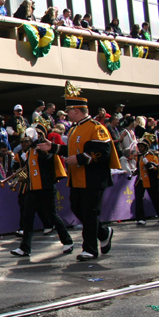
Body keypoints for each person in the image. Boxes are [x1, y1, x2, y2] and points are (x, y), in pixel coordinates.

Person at [37, 81, 121, 261]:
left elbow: (103, 152)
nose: (66, 114)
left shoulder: (96, 128)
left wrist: (81, 158)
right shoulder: (75, 129)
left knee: (89, 213)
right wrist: (52, 147)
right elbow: (72, 151)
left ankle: (90, 248)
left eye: (68, 111)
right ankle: (104, 232)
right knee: (77, 208)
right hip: (77, 178)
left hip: (93, 178)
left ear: (76, 110)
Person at [9, 123, 74, 257]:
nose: (30, 137)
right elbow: (28, 170)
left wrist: (40, 145)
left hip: (46, 188)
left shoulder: (44, 148)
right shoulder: (30, 151)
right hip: (32, 188)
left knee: (52, 215)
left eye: (35, 134)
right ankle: (24, 248)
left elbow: (47, 160)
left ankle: (67, 241)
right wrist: (19, 178)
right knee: (27, 217)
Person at [133, 135, 159, 225]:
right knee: (138, 199)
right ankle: (140, 218)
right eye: (139, 146)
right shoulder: (138, 156)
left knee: (156, 198)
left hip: (151, 180)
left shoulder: (152, 156)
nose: (140, 148)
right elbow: (139, 168)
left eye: (142, 146)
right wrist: (136, 172)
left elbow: (154, 169)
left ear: (146, 147)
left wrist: (148, 164)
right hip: (140, 180)